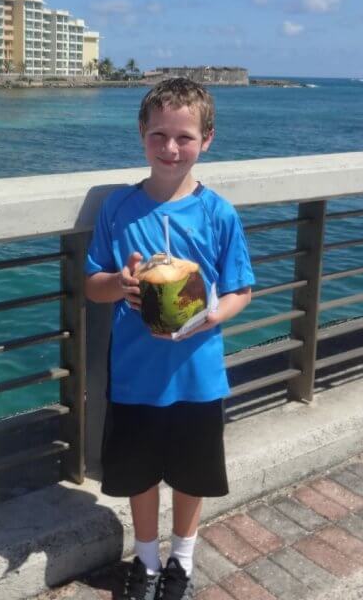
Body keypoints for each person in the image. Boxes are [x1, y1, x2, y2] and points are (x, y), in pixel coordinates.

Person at [85, 78, 255, 600]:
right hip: (136, 375)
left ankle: (182, 559)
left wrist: (210, 316)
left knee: (191, 474)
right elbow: (92, 285)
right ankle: (147, 559)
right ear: (142, 135)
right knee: (139, 474)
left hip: (198, 374)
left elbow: (241, 289)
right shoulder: (118, 209)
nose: (171, 148)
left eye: (183, 137)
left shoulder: (218, 213)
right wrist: (122, 283)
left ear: (207, 139)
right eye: (159, 135)